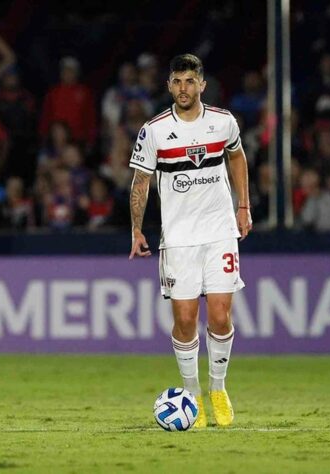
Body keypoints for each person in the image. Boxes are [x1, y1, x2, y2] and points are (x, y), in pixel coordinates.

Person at [128, 54, 252, 428]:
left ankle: (217, 388)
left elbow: (237, 157)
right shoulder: (154, 130)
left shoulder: (223, 122)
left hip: (219, 233)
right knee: (184, 320)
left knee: (219, 315)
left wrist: (243, 206)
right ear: (168, 86)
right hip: (179, 239)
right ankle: (191, 395)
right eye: (177, 81)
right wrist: (136, 229)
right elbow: (140, 183)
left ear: (202, 85)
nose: (183, 88)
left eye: (189, 81)